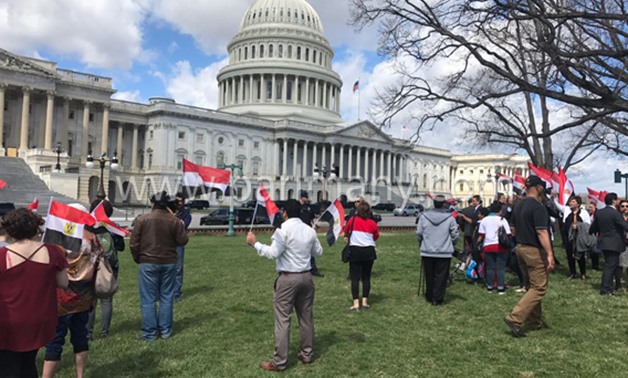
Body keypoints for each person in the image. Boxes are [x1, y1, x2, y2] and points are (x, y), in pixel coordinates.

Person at [246, 199, 323, 372]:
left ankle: (280, 361)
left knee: (283, 320)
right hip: (306, 276)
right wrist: (313, 235)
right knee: (306, 317)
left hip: (288, 277)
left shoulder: (283, 230)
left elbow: (273, 253)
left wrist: (255, 244)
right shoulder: (308, 230)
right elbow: (319, 252)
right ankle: (307, 354)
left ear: (285, 213)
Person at [0, 209, 68, 378]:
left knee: (8, 365)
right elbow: (63, 282)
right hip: (40, 318)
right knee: (28, 363)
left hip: (8, 320)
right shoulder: (52, 251)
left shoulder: (2, 255)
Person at [43, 203, 101, 378]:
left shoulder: (62, 240)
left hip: (61, 296)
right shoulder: (92, 238)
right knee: (80, 337)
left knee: (54, 341)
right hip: (84, 295)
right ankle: (80, 375)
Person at [130, 191, 189, 340]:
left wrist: (138, 258)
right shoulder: (174, 220)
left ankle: (150, 332)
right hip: (168, 262)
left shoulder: (142, 219)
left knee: (148, 299)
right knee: (166, 297)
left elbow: (133, 243)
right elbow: (183, 241)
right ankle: (165, 330)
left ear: (153, 204)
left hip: (148, 262)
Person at [504, 176, 555, 338]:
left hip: (520, 248)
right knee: (539, 287)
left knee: (531, 286)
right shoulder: (538, 207)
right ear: (538, 187)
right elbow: (542, 231)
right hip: (534, 250)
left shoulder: (518, 205)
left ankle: (534, 322)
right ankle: (515, 318)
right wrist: (550, 253)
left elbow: (512, 228)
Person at [86, 199, 125, 340]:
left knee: (91, 301)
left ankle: (88, 333)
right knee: (107, 300)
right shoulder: (112, 227)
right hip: (109, 266)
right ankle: (105, 332)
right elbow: (121, 247)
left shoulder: (87, 226)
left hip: (90, 265)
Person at [416, 194, 459, 306]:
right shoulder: (450, 218)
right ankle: (438, 298)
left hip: (427, 250)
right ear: (444, 204)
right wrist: (452, 244)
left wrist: (421, 242)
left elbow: (419, 233)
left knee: (429, 274)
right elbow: (455, 234)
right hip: (444, 251)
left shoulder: (424, 216)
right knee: (441, 276)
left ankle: (430, 295)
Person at [343, 200, 380, 311]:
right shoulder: (372, 223)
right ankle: (364, 302)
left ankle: (355, 304)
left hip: (355, 250)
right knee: (366, 277)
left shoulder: (353, 220)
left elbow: (346, 230)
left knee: (355, 278)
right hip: (368, 251)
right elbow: (376, 236)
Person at [589, 193, 628, 296]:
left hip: (603, 243)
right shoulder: (615, 214)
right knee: (609, 267)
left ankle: (610, 286)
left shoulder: (599, 213)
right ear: (614, 201)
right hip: (614, 244)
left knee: (609, 265)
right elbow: (625, 226)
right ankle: (606, 289)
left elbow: (593, 228)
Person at [477, 202, 512, 294]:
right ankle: (500, 287)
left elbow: (481, 234)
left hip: (488, 245)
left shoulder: (484, 220)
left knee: (490, 268)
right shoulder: (502, 220)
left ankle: (490, 287)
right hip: (501, 246)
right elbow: (508, 234)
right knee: (500, 268)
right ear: (500, 210)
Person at [562, 196, 591, 280]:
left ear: (578, 204)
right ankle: (572, 272)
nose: (571, 203)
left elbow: (587, 225)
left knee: (580, 256)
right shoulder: (568, 213)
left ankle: (583, 273)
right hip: (569, 238)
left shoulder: (584, 213)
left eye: (573, 202)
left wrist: (578, 226)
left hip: (579, 238)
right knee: (570, 256)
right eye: (570, 202)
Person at [299, 190, 323, 277]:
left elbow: (313, 218)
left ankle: (313, 269)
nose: (307, 199)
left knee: (310, 249)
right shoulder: (297, 207)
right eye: (305, 197)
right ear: (301, 197)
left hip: (308, 231)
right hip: (299, 231)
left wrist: (315, 224)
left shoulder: (309, 208)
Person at [174, 192, 192, 302]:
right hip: (167, 243)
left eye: (181, 201)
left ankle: (176, 293)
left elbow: (183, 223)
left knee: (178, 269)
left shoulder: (186, 214)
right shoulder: (168, 211)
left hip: (179, 243)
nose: (179, 203)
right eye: (177, 201)